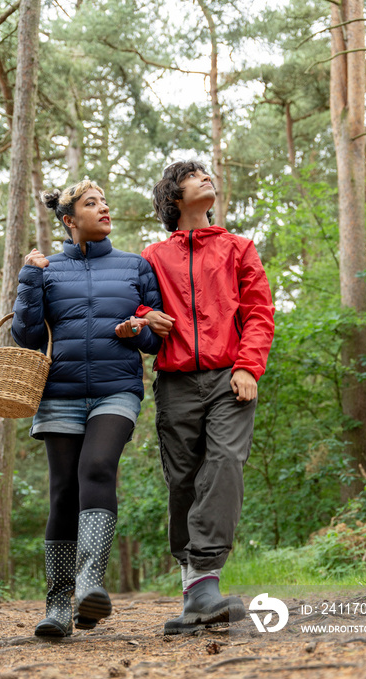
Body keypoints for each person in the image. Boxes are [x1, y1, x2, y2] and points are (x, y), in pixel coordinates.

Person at [12, 179, 162, 637]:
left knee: (97, 468)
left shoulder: (135, 266)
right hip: (58, 392)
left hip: (116, 390)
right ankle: (57, 605)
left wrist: (137, 330)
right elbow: (28, 337)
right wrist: (29, 279)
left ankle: (88, 584)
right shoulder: (48, 269)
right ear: (69, 219)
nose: (104, 208)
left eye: (105, 202)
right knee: (62, 491)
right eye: (91, 204)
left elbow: (157, 338)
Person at [135, 160, 275, 634]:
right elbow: (135, 303)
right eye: (194, 176)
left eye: (207, 174)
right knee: (183, 480)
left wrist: (248, 366)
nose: (206, 178)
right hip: (174, 381)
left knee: (225, 463)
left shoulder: (239, 248)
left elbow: (259, 312)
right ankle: (195, 589)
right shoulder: (152, 256)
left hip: (228, 376)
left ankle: (205, 579)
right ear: (174, 197)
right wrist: (143, 316)